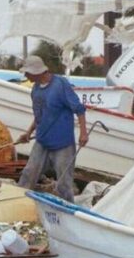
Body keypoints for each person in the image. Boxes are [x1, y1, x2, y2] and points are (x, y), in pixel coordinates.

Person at [16, 55, 88, 202]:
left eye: (27, 73)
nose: (26, 76)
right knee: (29, 173)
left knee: (64, 182)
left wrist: (83, 133)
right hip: (42, 140)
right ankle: (17, 202)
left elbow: (79, 109)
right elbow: (39, 116)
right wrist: (28, 133)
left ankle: (68, 210)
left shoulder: (61, 85)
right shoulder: (35, 90)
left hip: (62, 142)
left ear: (37, 72)